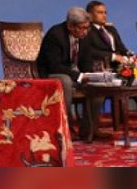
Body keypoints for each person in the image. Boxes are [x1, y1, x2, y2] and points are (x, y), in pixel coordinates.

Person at [83, 0, 137, 128]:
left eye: (105, 12)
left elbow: (122, 48)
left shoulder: (110, 29)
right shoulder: (86, 30)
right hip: (109, 68)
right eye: (100, 12)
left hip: (124, 66)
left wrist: (130, 56)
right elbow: (89, 51)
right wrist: (114, 56)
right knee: (132, 80)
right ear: (89, 15)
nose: (104, 15)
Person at [37, 7, 99, 137]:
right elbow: (54, 66)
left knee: (98, 85)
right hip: (51, 74)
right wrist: (79, 76)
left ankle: (89, 130)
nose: (85, 32)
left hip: (73, 74)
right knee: (65, 81)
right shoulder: (55, 35)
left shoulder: (85, 36)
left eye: (87, 28)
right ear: (70, 25)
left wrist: (91, 76)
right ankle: (66, 129)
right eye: (82, 28)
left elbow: (86, 62)